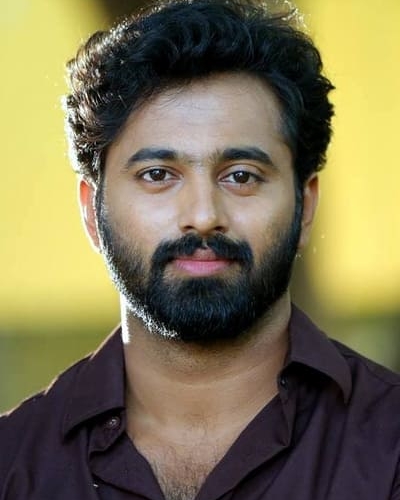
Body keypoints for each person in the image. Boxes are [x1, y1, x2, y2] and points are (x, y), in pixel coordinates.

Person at [1, 0, 399, 498]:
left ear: (306, 204)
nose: (204, 215)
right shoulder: (12, 466)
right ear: (91, 210)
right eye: (158, 175)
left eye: (241, 176)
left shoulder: (390, 448)